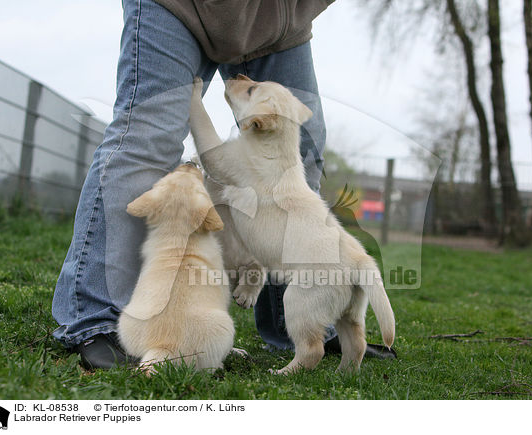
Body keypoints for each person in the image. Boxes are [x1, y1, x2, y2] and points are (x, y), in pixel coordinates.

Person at [52, 0, 339, 369]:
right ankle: (96, 320)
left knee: (301, 155)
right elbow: (213, 159)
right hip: (179, 5)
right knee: (146, 137)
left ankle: (304, 328)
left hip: (274, 16)